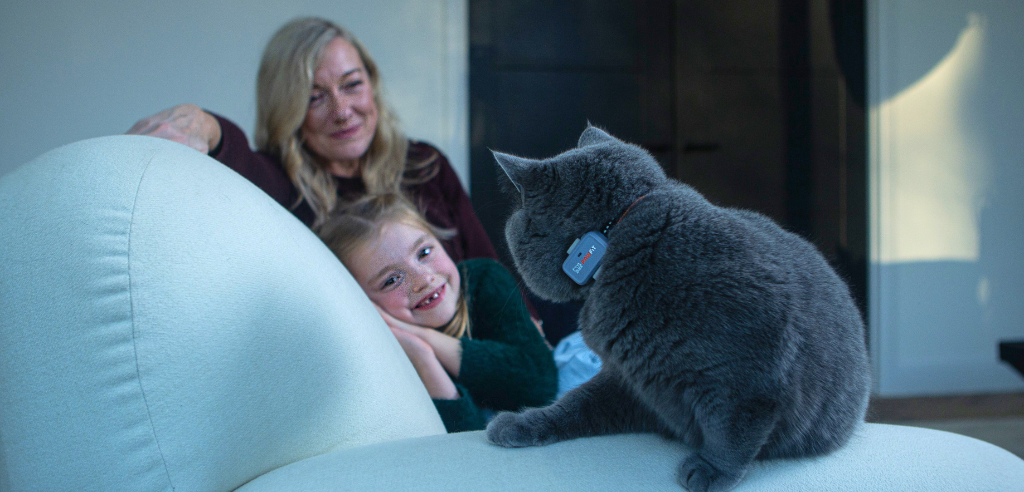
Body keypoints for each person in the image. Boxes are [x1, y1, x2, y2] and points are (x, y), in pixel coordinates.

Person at [126, 17, 495, 264]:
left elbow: (488, 271)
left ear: (373, 83)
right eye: (314, 97)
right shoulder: (283, 188)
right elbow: (239, 157)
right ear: (287, 110)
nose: (342, 111)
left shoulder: (424, 164)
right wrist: (204, 124)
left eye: (352, 85)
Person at [318, 193, 557, 432]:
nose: (422, 279)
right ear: (365, 303)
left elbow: (541, 386)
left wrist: (427, 338)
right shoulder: (385, 356)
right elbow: (462, 446)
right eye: (391, 280)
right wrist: (423, 358)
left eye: (424, 253)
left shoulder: (484, 279)